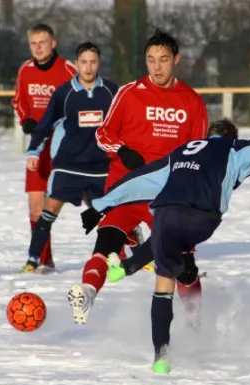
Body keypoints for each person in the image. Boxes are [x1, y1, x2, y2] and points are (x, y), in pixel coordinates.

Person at [80, 118, 250, 374]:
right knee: (174, 244)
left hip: (166, 214)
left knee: (164, 278)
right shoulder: (234, 149)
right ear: (231, 137)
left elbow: (141, 180)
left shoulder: (180, 153)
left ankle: (161, 357)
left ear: (208, 135)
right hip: (203, 220)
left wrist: (100, 206)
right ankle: (126, 268)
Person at [67, 28, 208, 325]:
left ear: (176, 60)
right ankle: (87, 294)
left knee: (184, 268)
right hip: (126, 188)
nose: (157, 67)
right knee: (106, 242)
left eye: (164, 60)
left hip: (168, 197)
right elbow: (103, 134)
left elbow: (200, 153)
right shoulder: (129, 93)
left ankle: (194, 320)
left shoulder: (192, 102)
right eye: (151, 60)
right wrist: (123, 149)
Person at [21, 42, 118, 274]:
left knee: (110, 216)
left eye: (92, 62)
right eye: (83, 62)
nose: (88, 67)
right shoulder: (65, 93)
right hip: (68, 165)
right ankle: (33, 260)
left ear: (99, 63)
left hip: (101, 167)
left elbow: (127, 123)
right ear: (76, 64)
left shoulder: (112, 91)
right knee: (49, 211)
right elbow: (44, 125)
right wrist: (34, 151)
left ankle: (117, 259)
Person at [12, 23, 77, 270]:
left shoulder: (69, 69)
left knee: (97, 199)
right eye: (33, 43)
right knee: (36, 204)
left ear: (53, 43)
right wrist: (26, 118)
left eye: (43, 42)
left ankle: (124, 248)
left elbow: (82, 98)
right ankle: (43, 259)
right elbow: (18, 101)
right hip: (38, 147)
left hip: (67, 147)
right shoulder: (25, 70)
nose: (38, 48)